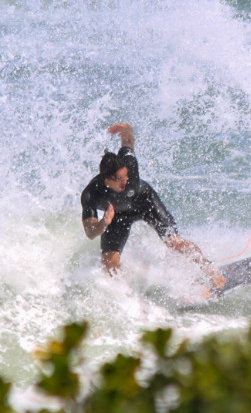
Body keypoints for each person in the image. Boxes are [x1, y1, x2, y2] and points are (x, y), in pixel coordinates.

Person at [81, 123, 225, 290]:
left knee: (173, 242)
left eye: (125, 176)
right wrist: (104, 223)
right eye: (119, 179)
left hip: (145, 202)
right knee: (109, 263)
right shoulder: (91, 194)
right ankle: (125, 293)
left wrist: (126, 130)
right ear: (107, 180)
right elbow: (90, 232)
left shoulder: (129, 164)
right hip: (117, 216)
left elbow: (128, 142)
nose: (125, 181)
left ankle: (209, 269)